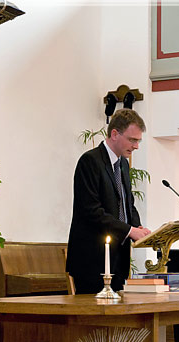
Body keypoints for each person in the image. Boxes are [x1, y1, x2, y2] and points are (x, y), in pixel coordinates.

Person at [66, 108, 152, 294]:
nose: (136, 146)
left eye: (138, 141)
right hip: (92, 259)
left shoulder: (122, 164)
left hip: (118, 258)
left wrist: (139, 229)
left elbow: (127, 205)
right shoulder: (90, 161)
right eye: (132, 139)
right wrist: (129, 231)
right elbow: (92, 211)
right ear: (115, 134)